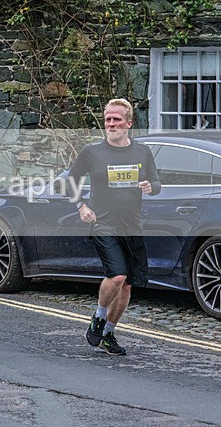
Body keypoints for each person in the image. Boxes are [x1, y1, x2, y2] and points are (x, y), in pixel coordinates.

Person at [68, 98, 160, 356]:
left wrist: (150, 187)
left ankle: (108, 332)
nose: (111, 124)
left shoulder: (142, 152)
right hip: (103, 223)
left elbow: (156, 182)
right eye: (108, 119)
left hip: (132, 226)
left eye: (116, 119)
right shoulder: (92, 152)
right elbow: (70, 180)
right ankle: (98, 316)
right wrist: (81, 206)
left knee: (127, 285)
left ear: (129, 123)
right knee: (117, 275)